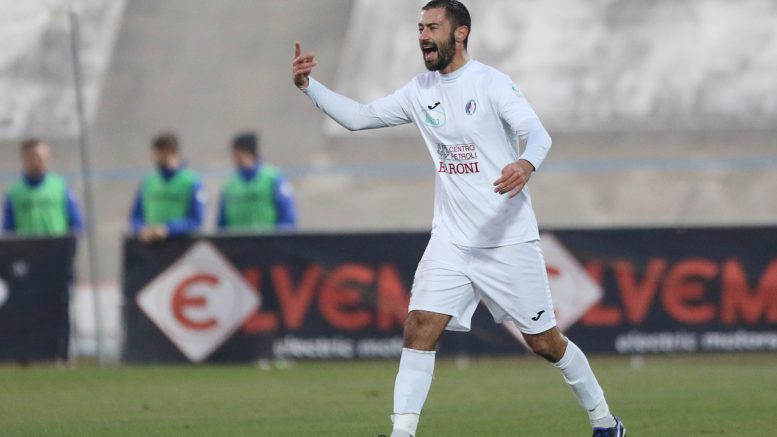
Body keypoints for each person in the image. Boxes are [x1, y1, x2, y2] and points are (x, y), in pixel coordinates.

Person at [292, 1, 626, 436]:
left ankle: (605, 422)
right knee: (419, 326)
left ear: (460, 33)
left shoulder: (490, 83)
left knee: (544, 342)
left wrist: (525, 164)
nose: (423, 36)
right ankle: (402, 433)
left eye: (432, 27)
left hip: (506, 238)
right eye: (419, 28)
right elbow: (359, 118)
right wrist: (309, 87)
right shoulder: (419, 90)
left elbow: (536, 133)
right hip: (451, 239)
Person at [129, 132, 206, 242]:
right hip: (149, 246)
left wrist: (168, 229)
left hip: (179, 245)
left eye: (158, 153)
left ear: (169, 151)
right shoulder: (149, 182)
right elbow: (135, 217)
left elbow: (196, 220)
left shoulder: (192, 182)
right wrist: (142, 229)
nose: (154, 157)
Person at [216, 132, 296, 231]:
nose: (233, 158)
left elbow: (287, 216)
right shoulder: (230, 185)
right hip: (237, 240)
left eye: (235, 153)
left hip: (268, 240)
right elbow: (222, 223)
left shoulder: (273, 178)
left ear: (244, 152)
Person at [2, 138, 82, 236]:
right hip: (27, 245)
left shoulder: (60, 187)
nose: (38, 162)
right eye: (34, 157)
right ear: (25, 159)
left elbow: (76, 224)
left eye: (43, 158)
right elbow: (8, 230)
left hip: (57, 244)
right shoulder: (14, 193)